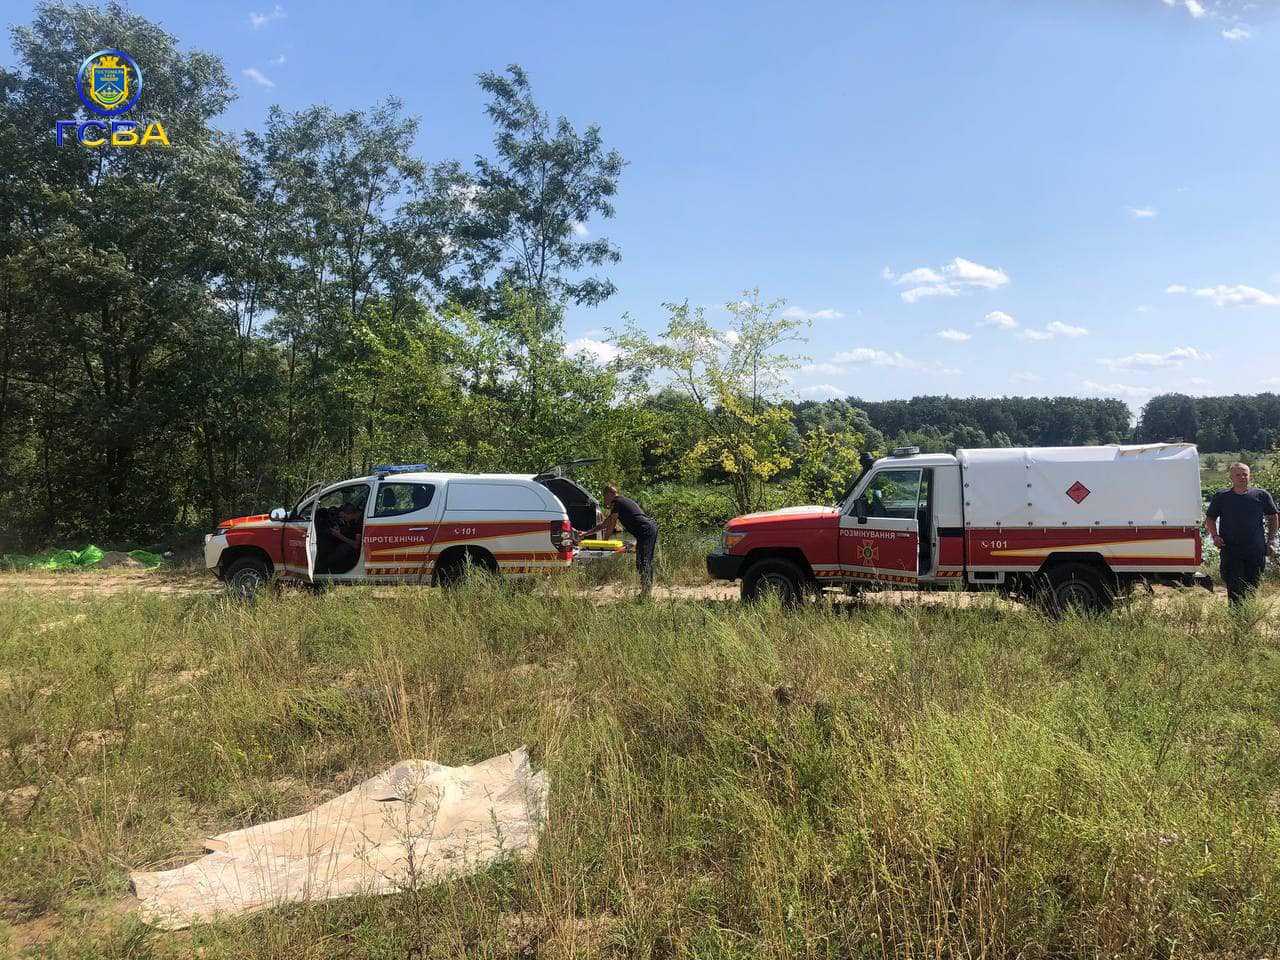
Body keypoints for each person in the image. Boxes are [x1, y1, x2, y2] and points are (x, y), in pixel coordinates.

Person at [1205, 462, 1278, 605]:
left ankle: (1249, 619)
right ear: (1231, 477)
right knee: (1234, 588)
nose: (1242, 477)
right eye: (1238, 474)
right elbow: (1210, 518)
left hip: (1255, 550)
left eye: (1245, 474)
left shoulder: (1261, 495)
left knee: (1252, 587)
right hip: (1231, 550)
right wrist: (1215, 536)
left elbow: (1273, 516)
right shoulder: (1222, 496)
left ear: (1250, 476)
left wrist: (1271, 540)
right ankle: (1236, 621)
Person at [582, 484, 659, 598]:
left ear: (609, 494)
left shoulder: (617, 502)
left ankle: (646, 593)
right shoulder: (620, 502)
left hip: (646, 530)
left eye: (605, 497)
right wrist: (586, 533)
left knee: (643, 561)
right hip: (647, 530)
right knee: (643, 561)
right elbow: (605, 524)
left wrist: (604, 543)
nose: (605, 500)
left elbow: (611, 525)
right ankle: (646, 591)